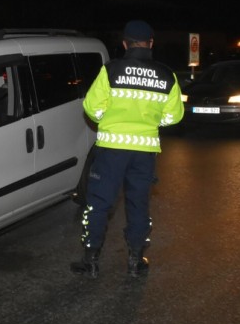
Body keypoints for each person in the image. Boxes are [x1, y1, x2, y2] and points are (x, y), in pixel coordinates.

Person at [70, 20, 184, 279]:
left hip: (111, 149)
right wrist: (152, 122)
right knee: (138, 204)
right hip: (144, 152)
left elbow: (92, 107)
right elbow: (174, 116)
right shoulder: (167, 75)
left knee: (99, 204)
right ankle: (135, 262)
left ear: (124, 43)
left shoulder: (111, 70)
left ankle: (91, 261)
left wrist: (107, 121)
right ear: (151, 44)